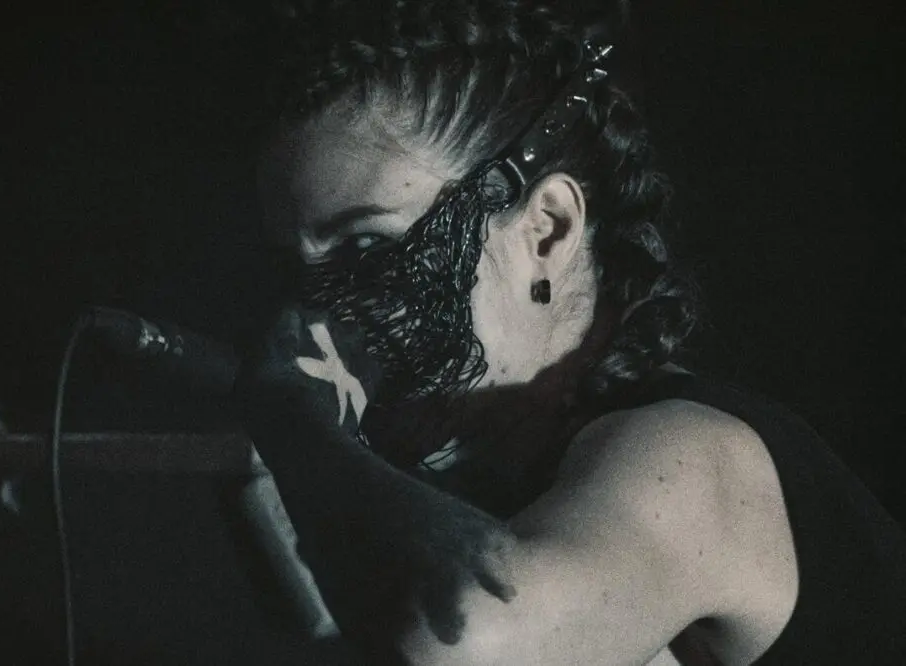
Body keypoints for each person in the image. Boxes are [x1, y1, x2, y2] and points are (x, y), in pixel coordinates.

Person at [229, 1, 906, 664]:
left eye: (368, 247)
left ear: (547, 230)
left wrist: (292, 416)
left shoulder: (688, 458)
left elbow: (465, 643)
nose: (317, 316)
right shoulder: (506, 489)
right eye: (296, 271)